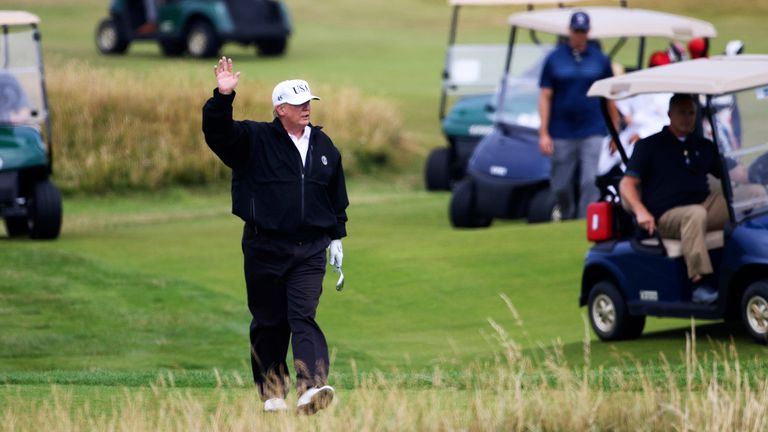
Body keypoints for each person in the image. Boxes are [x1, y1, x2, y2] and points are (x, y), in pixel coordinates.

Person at [202, 57, 349, 414]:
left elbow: (335, 195)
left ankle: (311, 389)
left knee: (303, 316)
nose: (305, 110)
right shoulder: (254, 139)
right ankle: (272, 392)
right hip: (263, 246)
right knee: (269, 321)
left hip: (309, 248)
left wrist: (336, 236)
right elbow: (218, 134)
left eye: (308, 104)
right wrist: (223, 96)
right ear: (280, 108)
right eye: (298, 105)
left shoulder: (324, 146)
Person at [619, 93, 728, 304]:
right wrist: (640, 211)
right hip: (664, 215)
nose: (687, 118)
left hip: (702, 205)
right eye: (682, 113)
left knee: (746, 202)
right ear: (669, 114)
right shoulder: (649, 147)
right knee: (695, 215)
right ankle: (699, 283)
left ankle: (746, 264)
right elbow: (627, 184)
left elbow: (732, 173)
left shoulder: (701, 146)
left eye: (691, 113)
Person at [538, 11, 618, 219]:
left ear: (588, 32)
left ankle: (584, 222)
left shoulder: (600, 60)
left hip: (592, 128)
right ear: (569, 31)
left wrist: (615, 132)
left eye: (583, 31)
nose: (579, 35)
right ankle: (566, 215)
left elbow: (610, 97)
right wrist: (544, 132)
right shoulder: (554, 59)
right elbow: (545, 95)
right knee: (561, 185)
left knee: (589, 180)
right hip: (562, 130)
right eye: (576, 31)